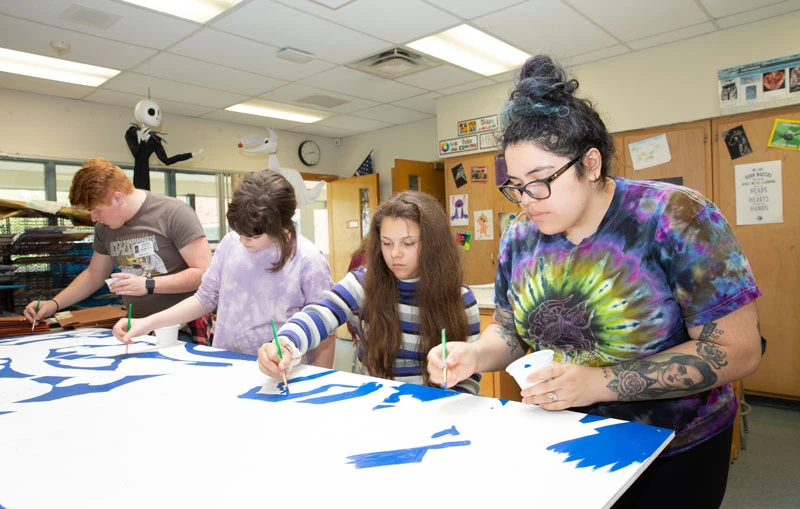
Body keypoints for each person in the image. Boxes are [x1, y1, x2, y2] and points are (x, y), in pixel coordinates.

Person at [425, 54, 762, 509]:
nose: (527, 200)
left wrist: (597, 384)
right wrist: (474, 354)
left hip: (674, 450)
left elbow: (737, 350)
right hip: (565, 437)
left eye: (540, 181)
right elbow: (509, 330)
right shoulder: (520, 236)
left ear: (591, 163)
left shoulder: (675, 217)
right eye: (516, 185)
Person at [258, 191, 482, 393]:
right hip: (374, 406)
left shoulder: (460, 300)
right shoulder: (363, 284)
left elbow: (469, 375)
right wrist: (286, 343)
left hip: (435, 413)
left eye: (408, 243)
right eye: (386, 243)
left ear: (434, 244)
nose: (395, 253)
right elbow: (320, 314)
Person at [112, 169, 336, 367]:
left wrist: (319, 377)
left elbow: (325, 331)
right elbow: (204, 298)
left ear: (281, 224)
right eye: (239, 232)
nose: (243, 240)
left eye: (252, 235)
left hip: (281, 372)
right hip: (225, 363)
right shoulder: (230, 244)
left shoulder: (307, 259)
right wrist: (146, 323)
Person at [24, 157, 211, 332]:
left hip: (184, 326)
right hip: (137, 326)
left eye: (96, 210)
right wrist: (54, 304)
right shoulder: (104, 228)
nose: (93, 217)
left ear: (118, 198)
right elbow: (94, 275)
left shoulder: (174, 213)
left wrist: (149, 284)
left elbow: (205, 275)